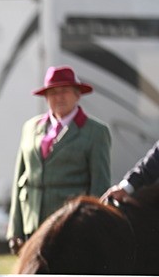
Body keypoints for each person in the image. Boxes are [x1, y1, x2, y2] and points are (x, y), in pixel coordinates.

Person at [7, 66, 111, 255]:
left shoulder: (96, 132)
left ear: (77, 95)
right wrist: (15, 230)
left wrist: (93, 230)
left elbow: (99, 186)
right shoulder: (30, 128)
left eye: (64, 91)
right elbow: (19, 181)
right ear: (46, 97)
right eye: (53, 92)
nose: (59, 97)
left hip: (70, 228)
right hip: (32, 225)